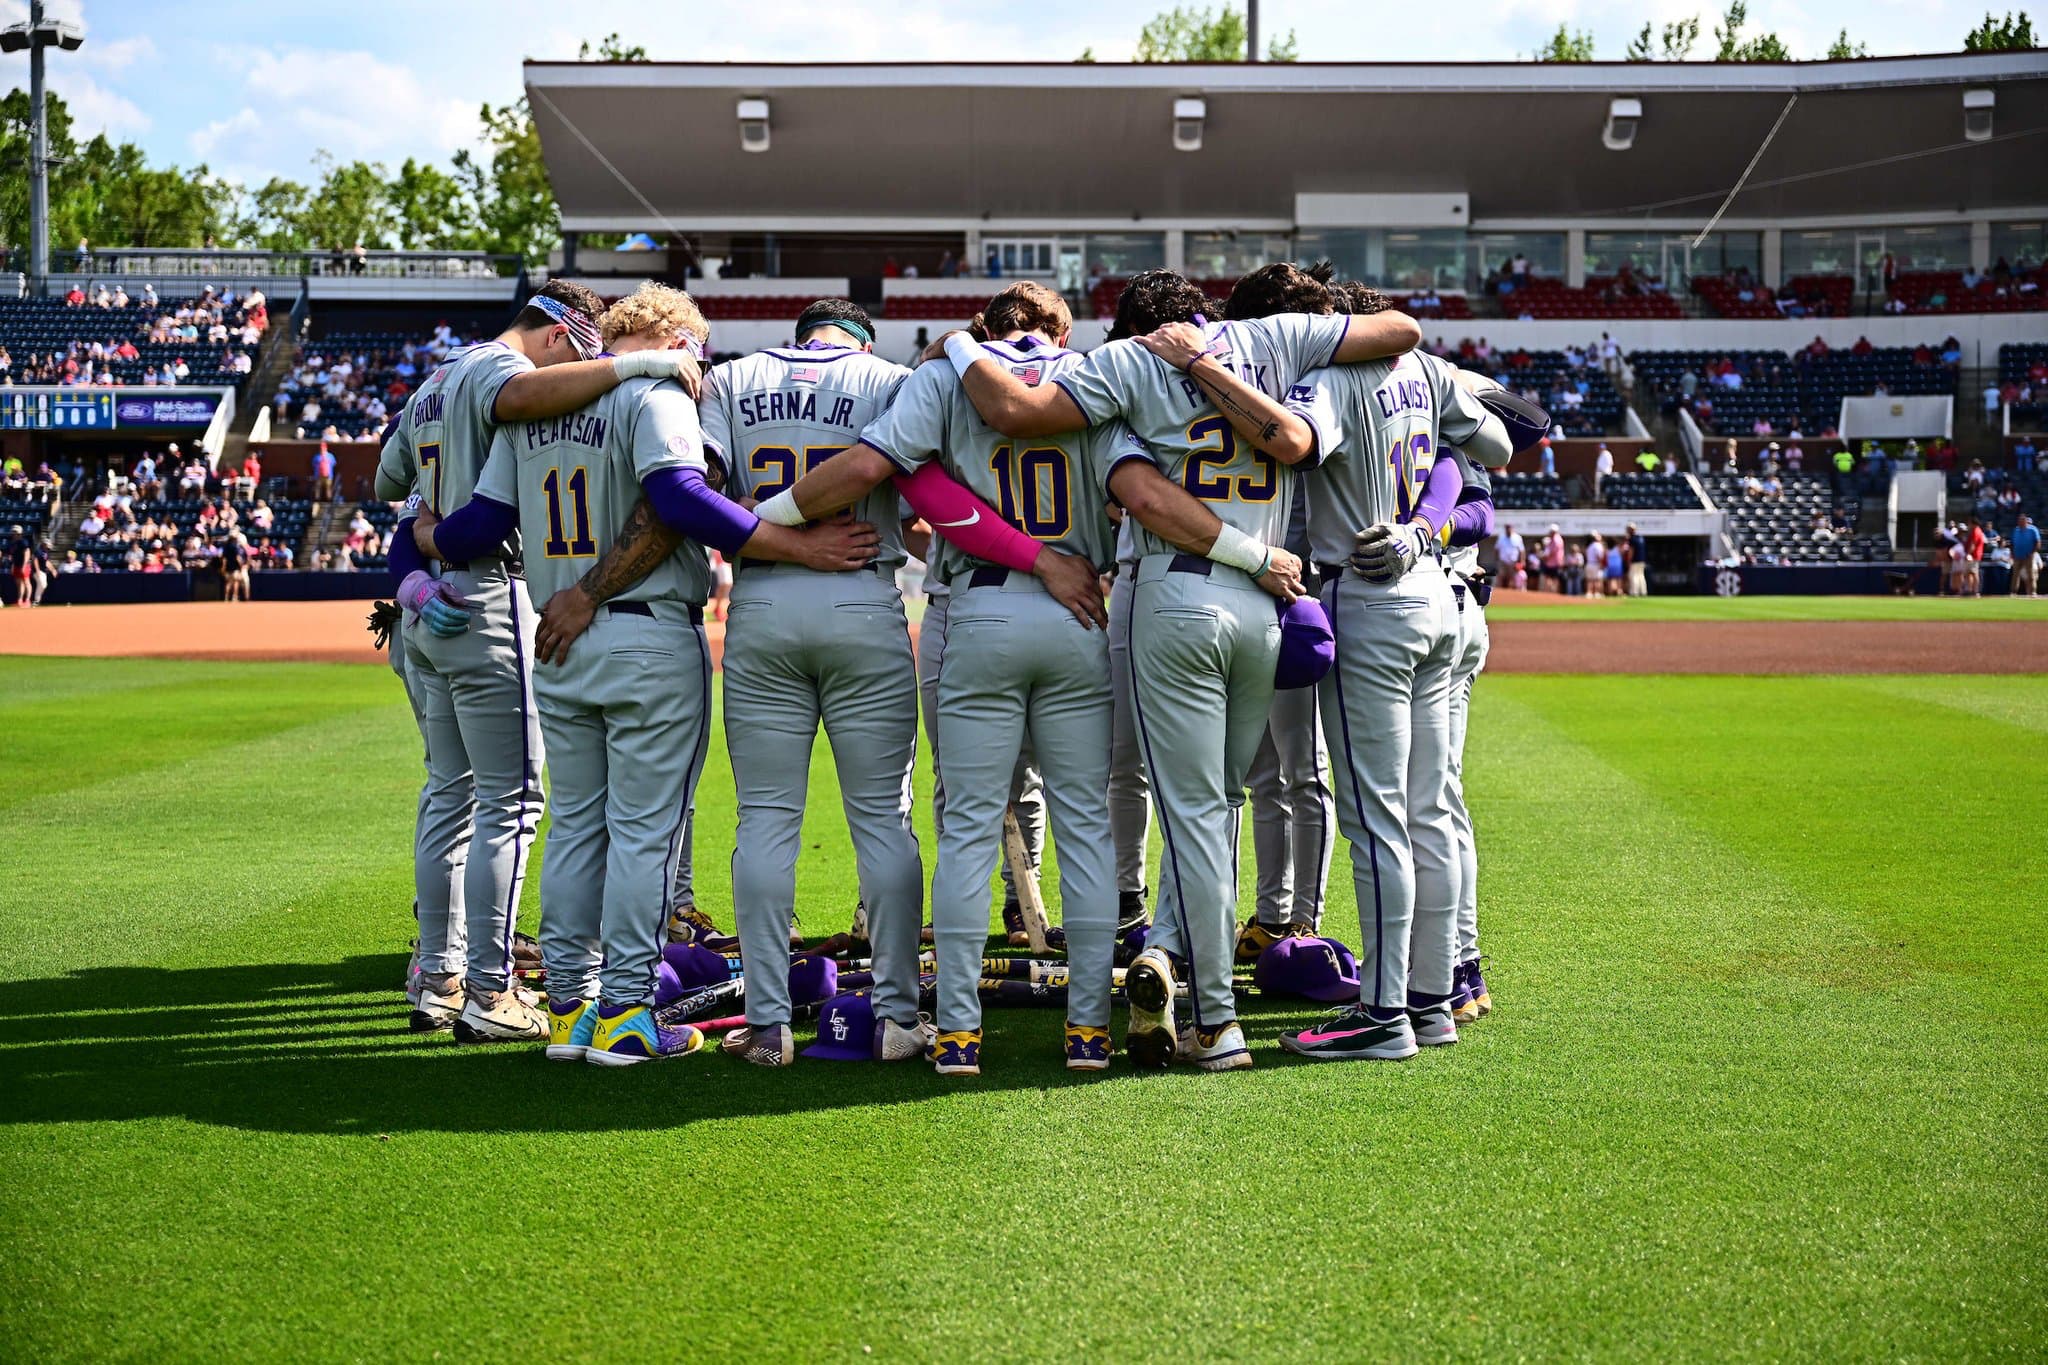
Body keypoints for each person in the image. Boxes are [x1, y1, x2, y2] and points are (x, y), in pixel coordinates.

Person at [772, 279, 1287, 1074]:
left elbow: (896, 473)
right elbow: (1131, 489)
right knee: (1084, 822)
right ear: (1055, 328)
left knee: (968, 825)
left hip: (977, 607)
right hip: (1078, 606)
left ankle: (959, 1035)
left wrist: (760, 518)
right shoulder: (1092, 371)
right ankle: (1086, 1030)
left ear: (987, 326)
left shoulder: (948, 372)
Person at [943, 264, 1420, 1069]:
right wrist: (1218, 363)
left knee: (1191, 813)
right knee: (1224, 804)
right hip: (1264, 601)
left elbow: (1013, 410)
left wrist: (960, 344)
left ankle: (1217, 1018)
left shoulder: (1131, 360)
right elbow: (1403, 329)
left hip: (1177, 593)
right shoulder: (1278, 336)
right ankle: (1184, 958)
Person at [417, 284, 873, 1064]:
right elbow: (678, 499)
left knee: (574, 827)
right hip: (644, 630)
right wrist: (792, 545)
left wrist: (425, 533)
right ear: (672, 339)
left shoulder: (535, 408)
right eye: (693, 345)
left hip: (558, 636)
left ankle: (569, 1010)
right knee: (645, 834)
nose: (699, 361)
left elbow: (479, 526)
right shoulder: (656, 390)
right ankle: (627, 1011)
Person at [375, 280, 700, 1042]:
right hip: (498, 593)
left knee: (451, 793)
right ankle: (496, 989)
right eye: (580, 357)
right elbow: (518, 408)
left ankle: (445, 973)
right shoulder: (501, 372)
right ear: (558, 336)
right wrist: (631, 369)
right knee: (518, 804)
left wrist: (419, 550)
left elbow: (394, 485)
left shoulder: (430, 380)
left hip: (429, 605)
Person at [1270, 280, 1512, 1061]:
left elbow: (1293, 443)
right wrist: (1426, 518)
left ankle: (1382, 1015)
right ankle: (1433, 1001)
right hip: (1441, 591)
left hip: (1366, 591)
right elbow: (1499, 448)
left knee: (1377, 818)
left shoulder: (1332, 376)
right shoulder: (1433, 369)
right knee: (1431, 809)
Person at [2011, 514, 2039, 597]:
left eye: (2022, 521)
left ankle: (2033, 592)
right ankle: (2013, 592)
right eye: (2019, 521)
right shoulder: (2016, 530)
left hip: (2028, 556)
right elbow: (2012, 543)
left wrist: (2032, 553)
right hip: (2017, 556)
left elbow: (2037, 542)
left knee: (2030, 575)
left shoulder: (2033, 530)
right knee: (2015, 575)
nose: (2020, 523)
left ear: (2026, 521)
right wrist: (2013, 554)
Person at [1625, 523, 1649, 596]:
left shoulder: (1632, 539)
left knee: (1633, 576)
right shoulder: (1641, 538)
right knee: (1641, 576)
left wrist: (1628, 561)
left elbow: (1631, 551)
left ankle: (1634, 592)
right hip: (1642, 561)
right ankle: (1643, 592)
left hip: (1635, 561)